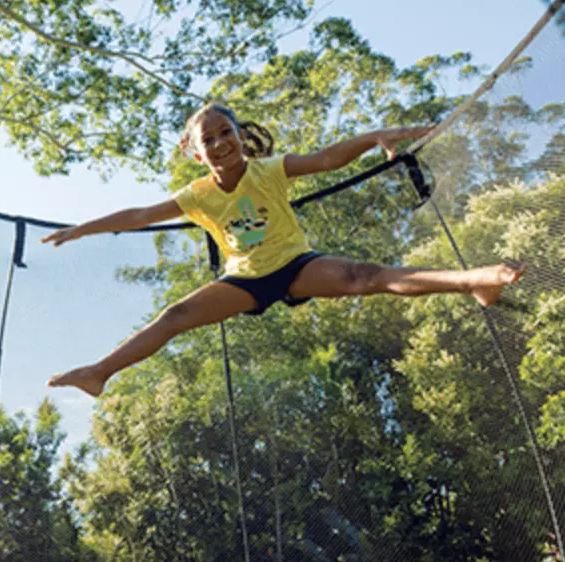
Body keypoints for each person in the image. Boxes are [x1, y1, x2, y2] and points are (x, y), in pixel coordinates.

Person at [41, 103, 526, 397]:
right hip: (243, 281)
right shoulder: (197, 195)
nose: (219, 143)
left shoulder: (268, 170)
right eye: (207, 140)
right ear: (196, 152)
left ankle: (474, 281)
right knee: (174, 316)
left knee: (365, 277)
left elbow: (326, 158)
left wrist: (374, 137)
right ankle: (99, 373)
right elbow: (139, 216)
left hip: (297, 266)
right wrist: (82, 228)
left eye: (225, 133)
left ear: (240, 137)